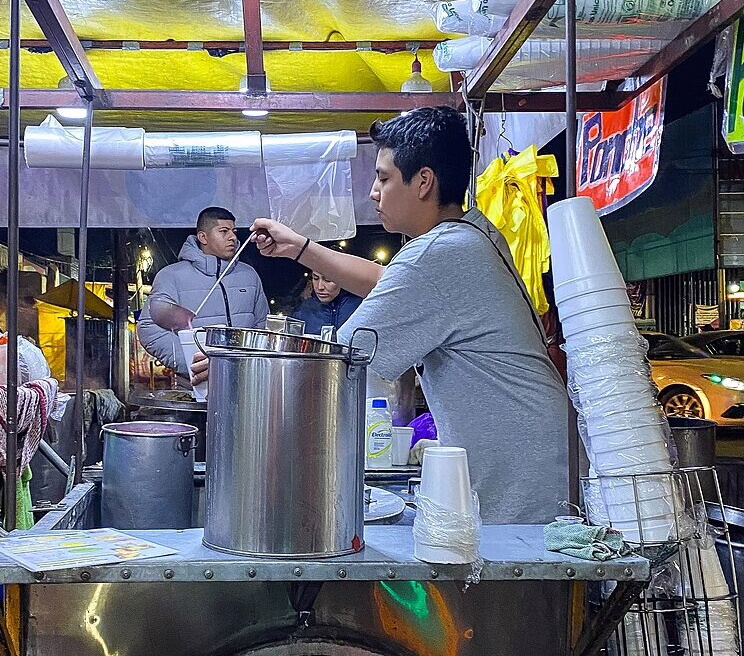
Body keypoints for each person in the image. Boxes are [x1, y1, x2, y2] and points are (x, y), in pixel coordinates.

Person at [236, 107, 569, 525]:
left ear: (424, 181)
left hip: (523, 478)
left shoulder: (437, 255)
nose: (374, 192)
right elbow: (387, 282)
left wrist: (237, 368)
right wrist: (300, 248)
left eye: (383, 177)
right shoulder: (473, 232)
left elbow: (338, 359)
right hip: (542, 456)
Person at [137, 206, 268, 377]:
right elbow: (149, 327)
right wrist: (193, 363)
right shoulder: (171, 276)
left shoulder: (249, 275)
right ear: (203, 237)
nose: (233, 238)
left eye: (234, 231)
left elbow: (263, 325)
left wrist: (252, 364)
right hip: (195, 385)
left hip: (246, 381)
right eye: (224, 231)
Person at [292, 271, 362, 336]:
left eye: (328, 280)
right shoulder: (303, 311)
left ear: (343, 279)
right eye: (315, 278)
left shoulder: (359, 308)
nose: (320, 287)